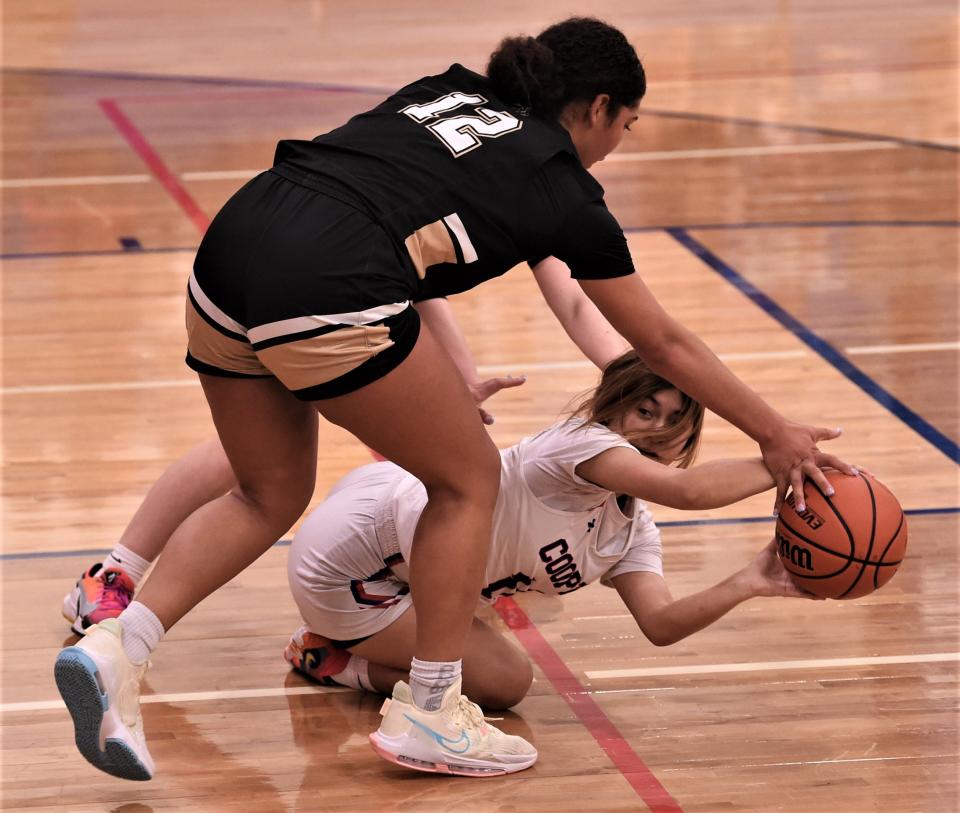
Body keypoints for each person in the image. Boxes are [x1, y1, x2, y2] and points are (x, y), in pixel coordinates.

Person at [54, 17, 851, 782]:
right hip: (328, 277)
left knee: (267, 490)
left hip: (232, 244)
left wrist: (445, 370)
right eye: (627, 126)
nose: (617, 145)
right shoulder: (563, 187)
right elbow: (665, 344)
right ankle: (430, 708)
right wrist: (775, 433)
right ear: (600, 108)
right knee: (470, 479)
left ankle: (118, 646)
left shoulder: (449, 92)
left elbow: (394, 222)